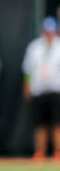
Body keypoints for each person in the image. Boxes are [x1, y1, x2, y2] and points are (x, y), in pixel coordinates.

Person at [22, 16, 60, 161]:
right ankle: (40, 152)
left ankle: (58, 152)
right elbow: (28, 70)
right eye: (46, 31)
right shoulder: (34, 47)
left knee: (57, 123)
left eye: (51, 31)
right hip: (39, 90)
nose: (49, 34)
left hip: (56, 90)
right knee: (40, 124)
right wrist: (27, 86)